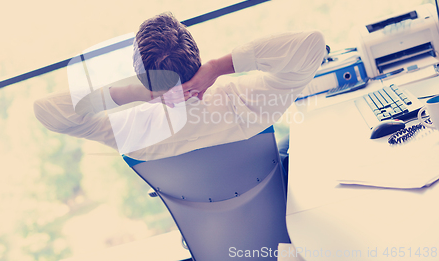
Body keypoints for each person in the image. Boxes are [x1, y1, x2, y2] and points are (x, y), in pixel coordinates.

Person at [34, 12, 325, 181]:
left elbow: (46, 111)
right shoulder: (250, 101)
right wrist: (218, 67)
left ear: (141, 75)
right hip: (281, 232)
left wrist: (134, 93)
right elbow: (312, 46)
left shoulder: (134, 133)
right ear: (196, 56)